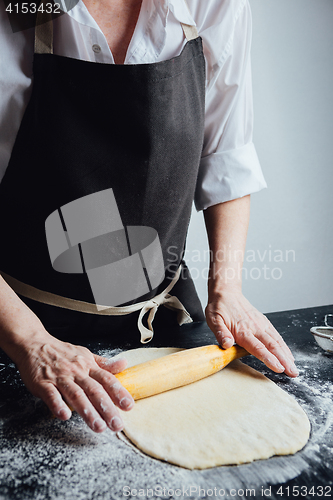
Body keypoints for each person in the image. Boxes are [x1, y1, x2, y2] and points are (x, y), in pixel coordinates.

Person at [0, 0, 299, 435]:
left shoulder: (214, 4)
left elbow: (225, 155)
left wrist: (228, 288)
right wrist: (30, 341)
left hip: (164, 319)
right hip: (17, 327)